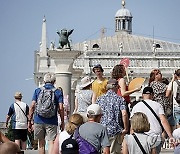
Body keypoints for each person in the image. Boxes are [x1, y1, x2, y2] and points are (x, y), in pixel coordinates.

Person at [28, 72, 64, 154]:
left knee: (41, 143)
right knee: (51, 141)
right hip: (52, 120)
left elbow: (32, 105)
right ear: (54, 81)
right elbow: (61, 108)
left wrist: (30, 120)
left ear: (44, 81)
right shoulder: (58, 92)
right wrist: (62, 121)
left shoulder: (37, 91)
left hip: (38, 119)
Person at [131, 86, 174, 154]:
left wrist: (132, 136)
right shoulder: (158, 105)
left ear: (142, 95)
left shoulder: (136, 106)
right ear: (152, 95)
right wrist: (170, 136)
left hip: (140, 137)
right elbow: (163, 121)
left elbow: (132, 123)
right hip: (155, 136)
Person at [96, 78, 129, 153]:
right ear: (115, 87)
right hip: (115, 130)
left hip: (102, 130)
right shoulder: (120, 99)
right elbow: (124, 114)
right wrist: (126, 128)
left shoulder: (99, 99)